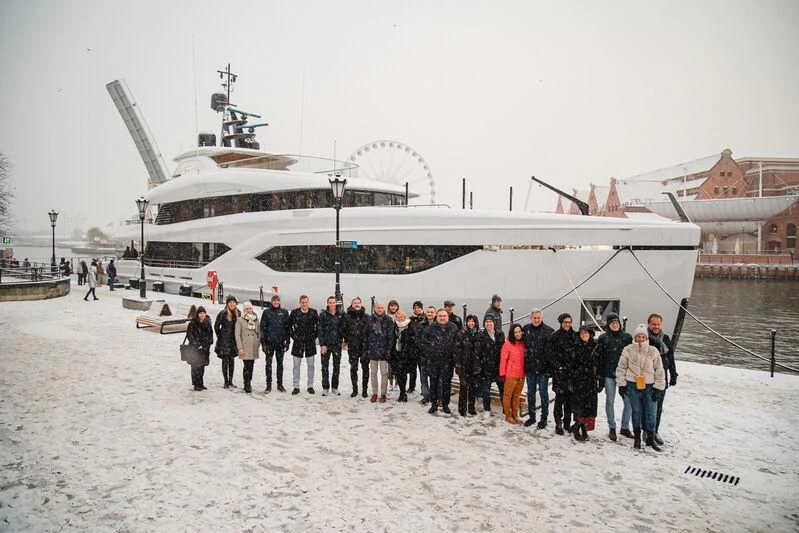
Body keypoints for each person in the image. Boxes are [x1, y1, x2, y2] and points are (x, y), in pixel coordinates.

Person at [616, 324, 666, 451]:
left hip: (650, 386)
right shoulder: (628, 350)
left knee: (651, 412)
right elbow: (621, 368)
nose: (640, 339)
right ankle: (637, 437)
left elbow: (659, 370)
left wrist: (658, 388)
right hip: (633, 384)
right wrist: (622, 385)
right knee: (636, 411)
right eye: (638, 336)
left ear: (646, 338)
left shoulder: (653, 351)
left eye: (643, 336)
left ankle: (650, 438)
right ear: (635, 337)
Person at [595, 313, 634, 441]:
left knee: (628, 401)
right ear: (608, 325)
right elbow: (599, 358)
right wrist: (599, 377)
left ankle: (624, 426)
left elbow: (632, 357)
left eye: (616, 323)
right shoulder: (603, 338)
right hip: (609, 374)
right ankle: (612, 427)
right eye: (612, 323)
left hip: (624, 374)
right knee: (610, 401)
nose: (615, 325)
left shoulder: (627, 338)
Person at [647, 313, 678, 446]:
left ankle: (655, 431)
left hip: (662, 376)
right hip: (648, 376)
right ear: (649, 324)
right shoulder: (644, 337)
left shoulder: (665, 338)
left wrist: (673, 374)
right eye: (654, 324)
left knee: (659, 406)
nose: (656, 326)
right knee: (647, 406)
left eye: (658, 324)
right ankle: (646, 431)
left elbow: (670, 357)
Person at [547, 313, 580, 435]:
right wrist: (558, 367)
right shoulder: (554, 337)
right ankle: (558, 423)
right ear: (561, 323)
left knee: (569, 401)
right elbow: (550, 354)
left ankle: (567, 423)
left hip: (572, 374)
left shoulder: (575, 336)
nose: (567, 324)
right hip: (560, 373)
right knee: (559, 399)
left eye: (569, 322)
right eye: (565, 322)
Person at [522, 308, 555, 429]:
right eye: (534, 318)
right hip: (530, 368)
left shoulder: (548, 331)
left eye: (538, 318)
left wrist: (550, 369)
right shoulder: (526, 329)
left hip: (543, 369)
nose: (536, 320)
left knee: (543, 394)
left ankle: (544, 418)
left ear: (541, 318)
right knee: (530, 394)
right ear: (531, 318)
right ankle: (532, 416)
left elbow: (552, 352)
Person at [423, 308, 458, 414]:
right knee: (433, 383)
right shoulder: (430, 328)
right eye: (440, 316)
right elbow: (424, 343)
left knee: (447, 384)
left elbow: (457, 344)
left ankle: (445, 404)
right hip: (434, 361)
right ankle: (434, 404)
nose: (442, 318)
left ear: (447, 317)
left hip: (448, 361)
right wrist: (431, 351)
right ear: (436, 317)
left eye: (444, 316)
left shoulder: (453, 327)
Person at [570, 325, 602, 441]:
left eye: (586, 333)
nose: (584, 335)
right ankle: (577, 425)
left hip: (591, 380)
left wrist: (600, 381)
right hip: (578, 380)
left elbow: (599, 364)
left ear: (590, 334)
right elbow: (571, 365)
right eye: (582, 333)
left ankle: (584, 428)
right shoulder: (575, 347)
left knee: (589, 406)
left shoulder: (596, 346)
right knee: (579, 405)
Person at [362, 302, 395, 403]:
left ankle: (383, 394)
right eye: (378, 308)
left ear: (383, 309)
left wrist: (388, 351)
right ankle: (375, 393)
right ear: (374, 309)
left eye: (381, 308)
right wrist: (366, 349)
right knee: (373, 373)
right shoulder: (369, 319)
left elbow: (391, 337)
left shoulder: (388, 320)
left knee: (384, 373)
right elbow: (366, 335)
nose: (380, 309)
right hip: (372, 350)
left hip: (384, 351)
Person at [474, 317, 504, 418]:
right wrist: (478, 367)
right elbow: (477, 352)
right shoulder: (480, 335)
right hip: (485, 367)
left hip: (498, 367)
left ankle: (506, 409)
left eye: (490, 321)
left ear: (494, 323)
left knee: (502, 389)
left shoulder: (500, 334)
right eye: (486, 322)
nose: (488, 324)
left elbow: (503, 350)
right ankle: (487, 409)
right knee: (486, 390)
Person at [288, 295, 319, 395]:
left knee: (311, 365)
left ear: (308, 302)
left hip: (310, 343)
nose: (304, 304)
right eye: (302, 302)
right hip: (298, 342)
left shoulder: (314, 312)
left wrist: (313, 337)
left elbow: (318, 327)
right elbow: (288, 327)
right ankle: (296, 386)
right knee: (296, 365)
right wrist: (294, 337)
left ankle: (310, 386)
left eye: (306, 302)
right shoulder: (294, 313)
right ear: (299, 303)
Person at [260, 294, 290, 393]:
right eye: (274, 301)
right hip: (269, 343)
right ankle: (268, 385)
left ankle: (280, 385)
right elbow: (262, 329)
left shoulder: (284, 312)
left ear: (280, 302)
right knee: (268, 364)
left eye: (277, 301)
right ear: (272, 302)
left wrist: (287, 341)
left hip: (280, 342)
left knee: (280, 364)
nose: (276, 302)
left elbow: (287, 328)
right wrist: (263, 343)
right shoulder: (266, 312)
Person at [342, 297, 369, 398]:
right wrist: (345, 340)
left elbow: (370, 332)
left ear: (361, 304)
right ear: (352, 305)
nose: (357, 304)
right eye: (355, 303)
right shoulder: (347, 317)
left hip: (364, 347)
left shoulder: (367, 317)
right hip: (353, 347)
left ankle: (365, 390)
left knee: (365, 369)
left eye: (358, 303)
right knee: (353, 368)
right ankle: (355, 389)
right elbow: (343, 330)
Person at [454, 314, 480, 416]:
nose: (471, 323)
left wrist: (479, 365)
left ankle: (471, 408)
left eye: (473, 321)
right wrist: (458, 365)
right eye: (469, 321)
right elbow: (456, 351)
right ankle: (462, 408)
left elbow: (481, 352)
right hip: (464, 366)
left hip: (475, 366)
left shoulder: (479, 335)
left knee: (473, 388)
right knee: (463, 388)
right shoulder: (461, 334)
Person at [500, 323, 526, 425]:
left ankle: (515, 414)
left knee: (516, 396)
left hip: (521, 374)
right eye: (515, 332)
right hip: (511, 374)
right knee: (508, 395)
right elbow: (503, 360)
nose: (518, 334)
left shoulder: (523, 344)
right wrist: (502, 374)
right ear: (512, 333)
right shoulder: (507, 345)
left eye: (519, 331)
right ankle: (508, 415)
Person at [317, 296, 343, 396]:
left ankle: (335, 387)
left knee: (336, 367)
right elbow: (320, 330)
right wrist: (322, 344)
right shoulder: (323, 315)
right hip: (326, 345)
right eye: (330, 303)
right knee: (324, 367)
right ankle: (325, 387)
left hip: (337, 345)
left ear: (336, 303)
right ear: (327, 303)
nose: (332, 304)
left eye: (333, 302)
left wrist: (343, 341)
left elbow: (343, 329)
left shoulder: (341, 314)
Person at [215, 295, 240, 388]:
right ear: (227, 303)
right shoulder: (223, 313)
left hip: (233, 341)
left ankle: (231, 381)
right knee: (225, 361)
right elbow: (216, 327)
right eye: (230, 302)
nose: (232, 304)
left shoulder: (238, 313)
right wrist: (221, 336)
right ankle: (226, 381)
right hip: (224, 341)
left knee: (232, 361)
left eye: (234, 302)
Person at [235, 302, 261, 393]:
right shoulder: (240, 320)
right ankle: (246, 383)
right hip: (245, 346)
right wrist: (240, 348)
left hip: (254, 345)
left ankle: (249, 381)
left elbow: (259, 332)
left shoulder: (256, 319)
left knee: (251, 365)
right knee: (246, 365)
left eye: (250, 308)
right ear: (244, 310)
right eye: (247, 309)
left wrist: (258, 342)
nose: (249, 310)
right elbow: (237, 335)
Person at [186, 306, 213, 391]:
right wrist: (197, 344)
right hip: (195, 349)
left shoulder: (207, 322)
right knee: (195, 367)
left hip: (205, 349)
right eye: (200, 313)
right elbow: (189, 335)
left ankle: (201, 383)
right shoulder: (193, 323)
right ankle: (196, 384)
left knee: (202, 366)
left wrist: (209, 342)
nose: (202, 315)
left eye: (204, 313)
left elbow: (210, 334)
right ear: (197, 314)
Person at [416, 306, 438, 405]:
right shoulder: (421, 325)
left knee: (435, 378)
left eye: (431, 312)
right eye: (428, 312)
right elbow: (418, 340)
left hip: (435, 356)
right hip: (423, 355)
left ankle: (436, 396)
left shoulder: (438, 324)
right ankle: (426, 396)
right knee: (423, 378)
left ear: (435, 313)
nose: (429, 314)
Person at [391, 310, 413, 402]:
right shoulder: (394, 326)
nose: (400, 319)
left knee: (403, 374)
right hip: (396, 354)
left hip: (406, 354)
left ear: (405, 317)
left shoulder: (410, 326)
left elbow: (412, 341)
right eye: (398, 317)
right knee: (398, 374)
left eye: (402, 317)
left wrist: (408, 352)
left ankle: (403, 393)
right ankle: (402, 392)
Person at [406, 300, 425, 393]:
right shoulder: (410, 320)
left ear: (422, 309)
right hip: (412, 349)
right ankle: (411, 386)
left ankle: (423, 388)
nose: (416, 309)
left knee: (422, 371)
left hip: (422, 349)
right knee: (412, 370)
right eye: (415, 308)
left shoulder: (425, 319)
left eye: (418, 308)